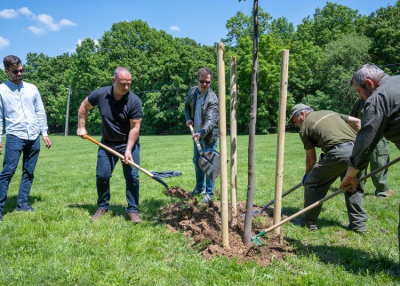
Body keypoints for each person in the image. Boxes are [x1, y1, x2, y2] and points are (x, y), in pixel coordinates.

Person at [340, 64, 400, 271]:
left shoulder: (378, 98)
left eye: (359, 92)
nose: (361, 97)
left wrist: (350, 174)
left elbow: (366, 140)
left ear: (369, 84)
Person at [77, 67, 143, 223]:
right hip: (107, 143)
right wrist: (81, 126)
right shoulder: (100, 94)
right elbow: (83, 106)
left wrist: (128, 150)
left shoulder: (134, 101)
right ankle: (102, 206)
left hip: (128, 144)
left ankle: (133, 210)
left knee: (132, 178)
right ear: (114, 80)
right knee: (102, 176)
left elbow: (135, 127)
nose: (126, 87)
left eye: (129, 84)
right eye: (122, 84)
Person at [287, 103, 367, 232]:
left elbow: (311, 159)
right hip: (358, 151)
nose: (296, 124)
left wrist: (307, 177)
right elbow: (357, 122)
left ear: (302, 114)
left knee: (313, 184)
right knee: (353, 187)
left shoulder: (305, 128)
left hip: (338, 153)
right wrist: (361, 143)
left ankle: (309, 223)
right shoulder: (329, 111)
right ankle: (359, 226)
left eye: (295, 120)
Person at [0, 55, 52, 221]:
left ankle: (22, 204)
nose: (20, 73)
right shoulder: (1, 90)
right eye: (16, 71)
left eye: (21, 70)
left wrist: (44, 133)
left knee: (29, 172)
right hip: (15, 136)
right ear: (7, 71)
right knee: (7, 172)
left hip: (33, 136)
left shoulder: (32, 88)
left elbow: (39, 111)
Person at [184, 67, 219, 203]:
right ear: (197, 80)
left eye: (208, 82)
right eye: (202, 81)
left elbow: (211, 121)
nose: (205, 84)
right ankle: (199, 188)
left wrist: (201, 133)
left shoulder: (212, 99)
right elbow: (187, 106)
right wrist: (188, 118)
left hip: (208, 136)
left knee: (209, 164)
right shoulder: (192, 92)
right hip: (196, 134)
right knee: (198, 162)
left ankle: (209, 193)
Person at [350, 98, 392, 198]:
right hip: (362, 138)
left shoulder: (382, 99)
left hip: (379, 138)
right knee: (359, 164)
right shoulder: (359, 101)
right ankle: (357, 188)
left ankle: (381, 191)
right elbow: (352, 117)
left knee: (379, 164)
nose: (359, 93)